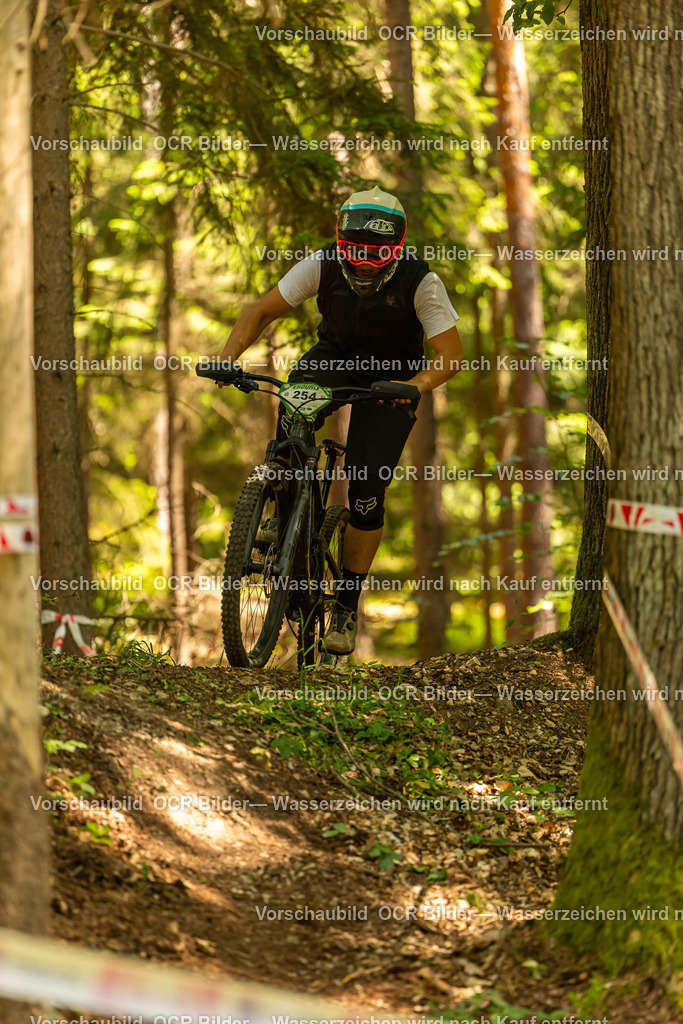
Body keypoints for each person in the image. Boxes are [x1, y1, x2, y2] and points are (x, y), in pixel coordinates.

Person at [218, 185, 464, 654]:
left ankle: (347, 605)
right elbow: (261, 311)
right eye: (356, 251)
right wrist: (229, 359)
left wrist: (417, 386)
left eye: (379, 253)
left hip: (393, 378)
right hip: (333, 358)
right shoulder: (322, 263)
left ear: (398, 245)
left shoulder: (421, 281)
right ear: (340, 240)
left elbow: (450, 354)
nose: (367, 263)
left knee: (367, 486)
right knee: (293, 401)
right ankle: (278, 502)